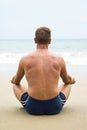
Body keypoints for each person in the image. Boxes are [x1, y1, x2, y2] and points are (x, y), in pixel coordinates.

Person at [11, 27, 75, 115]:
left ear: (35, 40)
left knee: (15, 86)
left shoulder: (25, 59)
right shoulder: (59, 59)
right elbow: (66, 80)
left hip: (33, 107)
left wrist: (13, 79)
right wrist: (72, 79)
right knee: (68, 85)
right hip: (54, 107)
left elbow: (16, 81)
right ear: (49, 41)